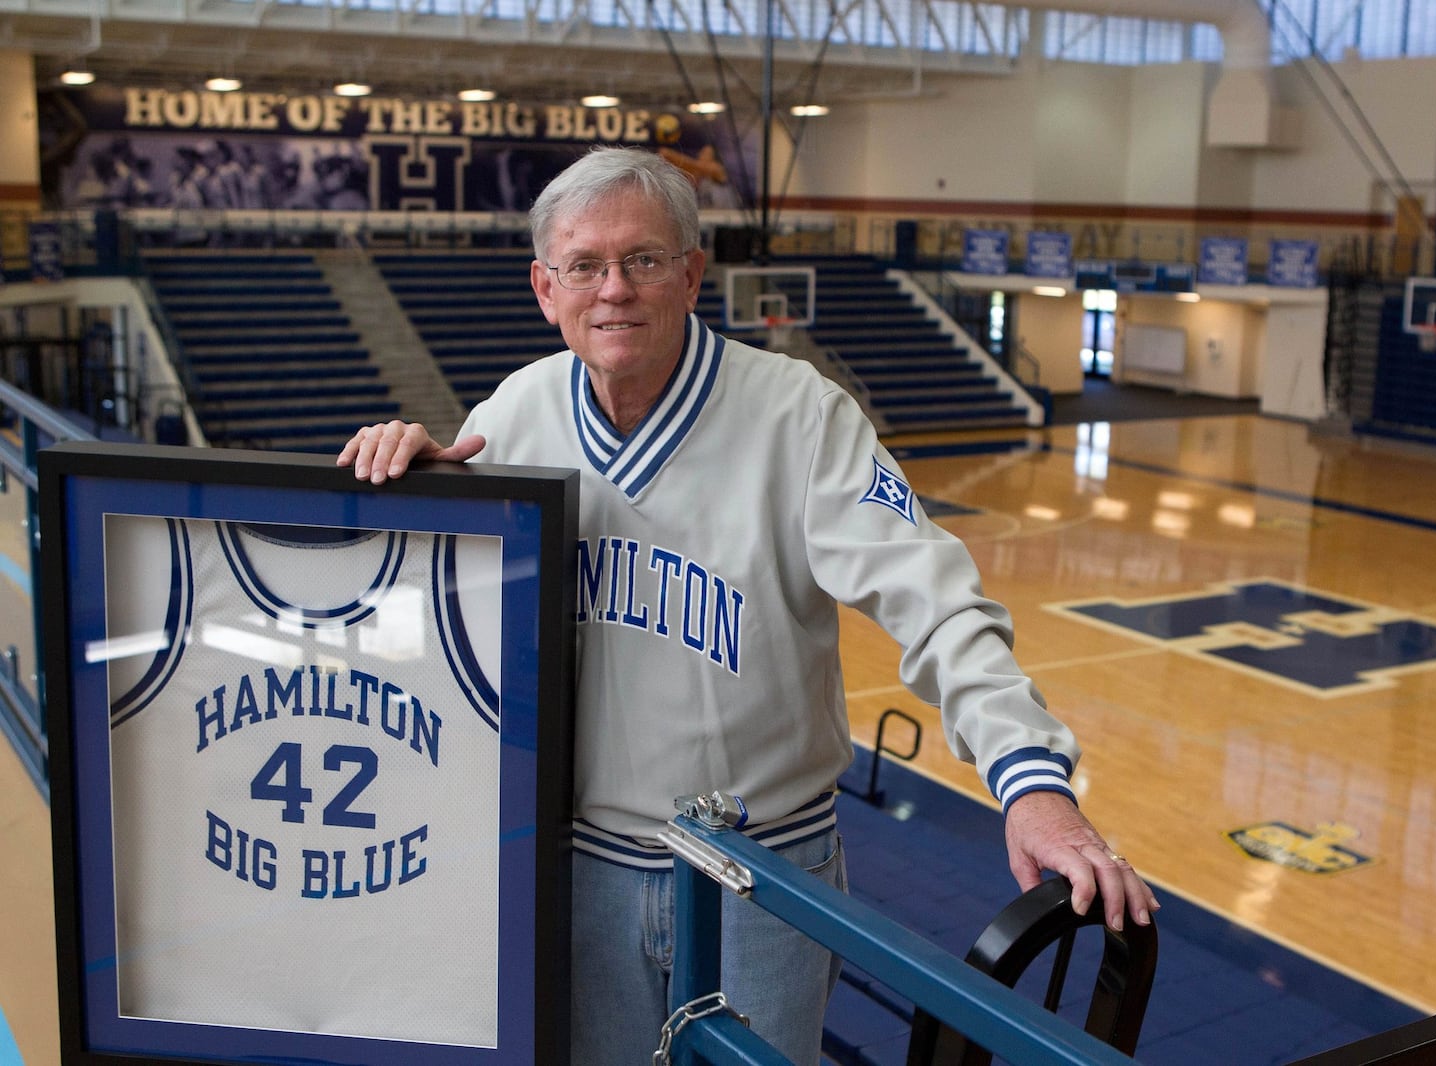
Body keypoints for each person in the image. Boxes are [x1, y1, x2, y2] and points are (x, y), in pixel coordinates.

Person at [338, 145, 1158, 1064]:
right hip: (583, 866)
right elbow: (441, 619)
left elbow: (935, 602)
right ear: (545, 287)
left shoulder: (801, 417)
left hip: (764, 870)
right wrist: (399, 477)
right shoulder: (515, 413)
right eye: (585, 267)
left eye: (643, 260)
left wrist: (1034, 783)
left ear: (692, 274)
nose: (614, 290)